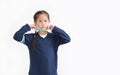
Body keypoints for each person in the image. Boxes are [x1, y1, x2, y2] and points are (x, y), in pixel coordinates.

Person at [13, 10, 71, 75]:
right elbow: (16, 36)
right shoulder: (30, 38)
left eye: (45, 21)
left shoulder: (54, 38)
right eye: (40, 21)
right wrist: (27, 27)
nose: (43, 23)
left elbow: (67, 39)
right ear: (35, 22)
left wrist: (54, 28)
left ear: (49, 22)